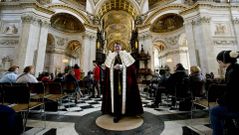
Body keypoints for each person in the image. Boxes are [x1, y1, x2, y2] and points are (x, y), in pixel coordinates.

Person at [101, 43, 143, 123]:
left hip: (125, 82)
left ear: (121, 47)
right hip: (114, 82)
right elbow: (107, 69)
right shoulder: (110, 56)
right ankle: (116, 113)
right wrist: (113, 67)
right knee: (115, 97)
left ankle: (128, 111)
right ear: (113, 47)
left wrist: (122, 67)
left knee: (126, 95)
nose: (117, 47)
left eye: (118, 46)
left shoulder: (126, 55)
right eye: (115, 46)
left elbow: (131, 68)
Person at [210, 50, 239, 135]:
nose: (219, 64)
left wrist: (220, 101)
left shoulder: (233, 72)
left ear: (224, 61)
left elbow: (232, 92)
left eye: (219, 62)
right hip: (235, 103)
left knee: (214, 111)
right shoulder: (234, 69)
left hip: (236, 106)